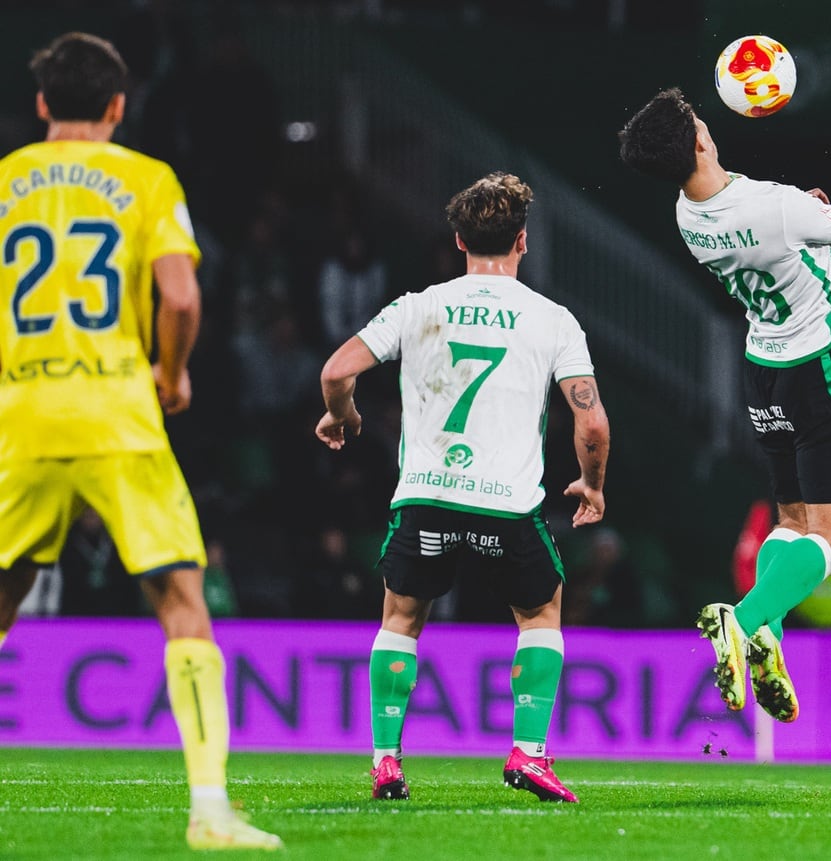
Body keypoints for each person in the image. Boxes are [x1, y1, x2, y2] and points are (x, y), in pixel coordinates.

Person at [0, 33, 283, 851]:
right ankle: (211, 810)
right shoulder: (146, 178)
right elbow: (181, 296)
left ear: (43, 103)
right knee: (183, 603)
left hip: (21, 413)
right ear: (119, 106)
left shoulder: (6, 179)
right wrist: (173, 370)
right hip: (117, 410)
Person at [618, 88, 831, 723]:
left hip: (764, 371)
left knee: (793, 520)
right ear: (699, 140)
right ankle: (744, 619)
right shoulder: (771, 207)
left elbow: (773, 230)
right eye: (697, 119)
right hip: (821, 367)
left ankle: (767, 634)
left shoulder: (688, 214)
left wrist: (805, 214)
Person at [315, 171, 609, 804]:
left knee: (401, 619)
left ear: (458, 240)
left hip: (426, 494)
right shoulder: (553, 319)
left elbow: (336, 371)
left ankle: (386, 759)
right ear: (523, 240)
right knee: (540, 615)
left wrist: (343, 416)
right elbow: (591, 421)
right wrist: (591, 484)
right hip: (506, 503)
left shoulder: (417, 306)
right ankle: (528, 752)